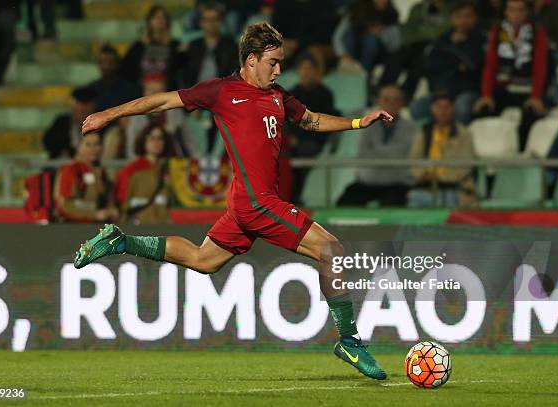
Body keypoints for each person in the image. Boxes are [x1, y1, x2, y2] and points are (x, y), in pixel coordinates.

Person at [74, 22, 392, 380]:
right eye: (273, 62)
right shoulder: (221, 91)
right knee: (331, 250)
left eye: (281, 63)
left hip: (246, 202)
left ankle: (121, 241)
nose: (278, 70)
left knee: (202, 260)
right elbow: (161, 101)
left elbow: (312, 120)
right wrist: (108, 115)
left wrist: (356, 122)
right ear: (251, 59)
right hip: (257, 203)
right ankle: (349, 341)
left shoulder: (277, 95)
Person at [473, 0, 550, 152]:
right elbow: (490, 66)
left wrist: (536, 96)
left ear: (527, 13)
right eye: (512, 10)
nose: (516, 14)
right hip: (503, 89)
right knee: (483, 112)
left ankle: (521, 159)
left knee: (532, 116)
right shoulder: (498, 32)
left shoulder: (537, 33)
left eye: (520, 10)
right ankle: (487, 161)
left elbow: (540, 67)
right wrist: (487, 95)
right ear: (505, 12)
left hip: (527, 90)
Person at [337, 85, 417, 206]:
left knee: (392, 204)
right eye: (386, 99)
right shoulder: (366, 125)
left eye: (395, 100)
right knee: (345, 202)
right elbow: (363, 154)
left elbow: (405, 157)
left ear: (402, 103)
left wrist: (377, 153)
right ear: (379, 102)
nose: (391, 104)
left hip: (397, 184)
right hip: (368, 182)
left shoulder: (411, 129)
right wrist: (392, 156)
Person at [410, 0, 485, 125]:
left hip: (467, 91)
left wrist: (460, 46)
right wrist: (457, 65)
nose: (463, 20)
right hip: (441, 91)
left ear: (475, 18)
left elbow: (475, 65)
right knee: (416, 108)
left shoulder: (481, 39)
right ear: (452, 18)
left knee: (462, 108)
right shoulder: (442, 40)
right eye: (459, 16)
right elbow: (431, 65)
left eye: (468, 16)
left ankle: (457, 140)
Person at [286, 52, 338, 203]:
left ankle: (298, 196)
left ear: (316, 72)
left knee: (306, 150)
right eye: (303, 69)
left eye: (309, 68)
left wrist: (299, 138)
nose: (306, 72)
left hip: (315, 140)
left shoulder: (325, 94)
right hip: (293, 141)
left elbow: (325, 121)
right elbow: (286, 120)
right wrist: (290, 138)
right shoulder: (291, 94)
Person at [408, 93, 476, 208]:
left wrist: (438, 177)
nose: (443, 111)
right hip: (425, 186)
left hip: (455, 189)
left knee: (447, 201)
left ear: (453, 108)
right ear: (432, 109)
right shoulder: (424, 131)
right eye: (438, 106)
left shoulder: (464, 134)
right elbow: (413, 160)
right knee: (413, 197)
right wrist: (423, 174)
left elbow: (465, 167)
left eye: (447, 107)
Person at [54, 132, 119, 223]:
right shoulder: (71, 170)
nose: (93, 149)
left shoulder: (102, 172)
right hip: (74, 227)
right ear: (79, 147)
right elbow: (65, 206)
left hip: (97, 227)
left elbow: (105, 200)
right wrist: (95, 215)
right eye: (87, 144)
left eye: (97, 144)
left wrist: (111, 209)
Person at [115, 122, 172, 224]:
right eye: (151, 138)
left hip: (162, 224)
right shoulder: (132, 169)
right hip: (138, 224)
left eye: (160, 138)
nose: (156, 142)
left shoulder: (167, 168)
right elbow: (122, 200)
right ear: (143, 141)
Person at [121, 4, 181, 89]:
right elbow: (127, 71)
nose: (160, 20)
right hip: (141, 92)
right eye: (156, 17)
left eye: (163, 17)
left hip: (167, 92)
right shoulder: (138, 47)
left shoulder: (175, 46)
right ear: (149, 21)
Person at [333, 0, 402, 73]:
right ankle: (348, 70)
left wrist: (380, 33)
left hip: (377, 56)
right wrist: (343, 54)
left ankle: (364, 74)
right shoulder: (356, 10)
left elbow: (395, 45)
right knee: (349, 35)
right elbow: (338, 35)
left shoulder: (391, 15)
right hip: (351, 53)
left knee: (370, 39)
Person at [182, 1, 238, 87]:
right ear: (201, 23)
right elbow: (187, 75)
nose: (211, 23)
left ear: (220, 22)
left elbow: (233, 74)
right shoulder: (194, 45)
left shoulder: (230, 45)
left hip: (220, 91)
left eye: (214, 19)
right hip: (195, 92)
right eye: (207, 20)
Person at [43, 86, 97, 159]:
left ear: (93, 106)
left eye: (87, 105)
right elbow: (48, 141)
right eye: (80, 104)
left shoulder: (99, 123)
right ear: (73, 105)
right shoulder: (62, 122)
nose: (83, 108)